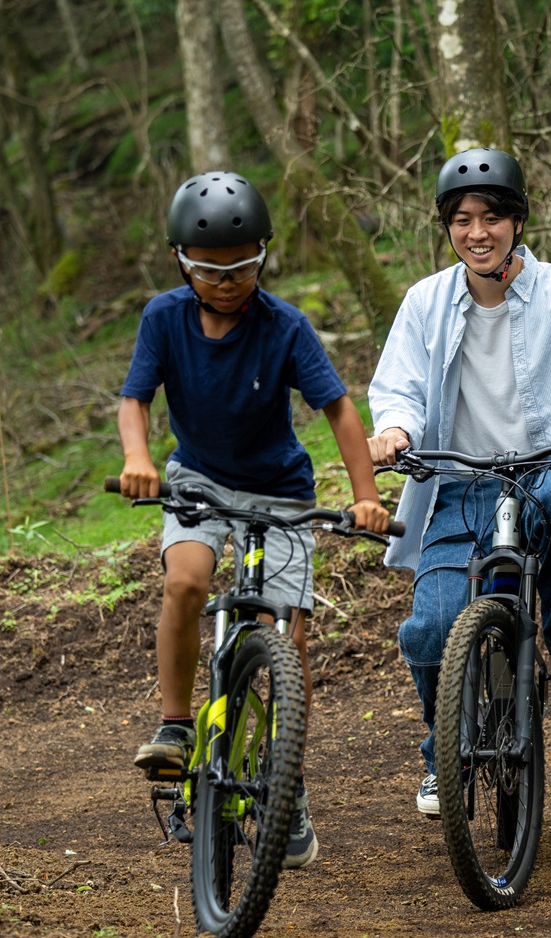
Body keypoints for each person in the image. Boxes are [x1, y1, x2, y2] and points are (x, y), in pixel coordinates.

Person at [367, 148, 551, 816]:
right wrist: (394, 431)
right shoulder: (423, 303)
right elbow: (398, 388)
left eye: (492, 217)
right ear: (447, 227)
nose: (478, 233)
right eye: (462, 220)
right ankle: (443, 752)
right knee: (429, 630)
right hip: (458, 485)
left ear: (518, 221)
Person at [118, 170, 389, 868]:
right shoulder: (163, 318)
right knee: (185, 580)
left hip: (280, 490)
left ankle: (283, 776)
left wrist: (364, 493)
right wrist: (138, 457)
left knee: (285, 633)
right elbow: (135, 398)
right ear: (181, 261)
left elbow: (338, 408)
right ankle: (176, 725)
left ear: (263, 256)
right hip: (199, 479)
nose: (226, 282)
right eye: (209, 270)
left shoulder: (285, 325)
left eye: (241, 267)